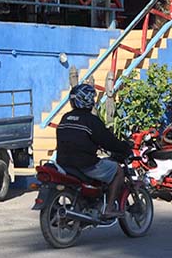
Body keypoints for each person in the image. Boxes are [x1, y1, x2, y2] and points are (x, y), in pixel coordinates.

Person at [56, 83, 132, 219]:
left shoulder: (65, 118)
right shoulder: (91, 121)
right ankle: (108, 209)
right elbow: (108, 142)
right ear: (88, 100)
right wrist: (124, 148)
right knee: (118, 171)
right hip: (85, 164)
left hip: (63, 163)